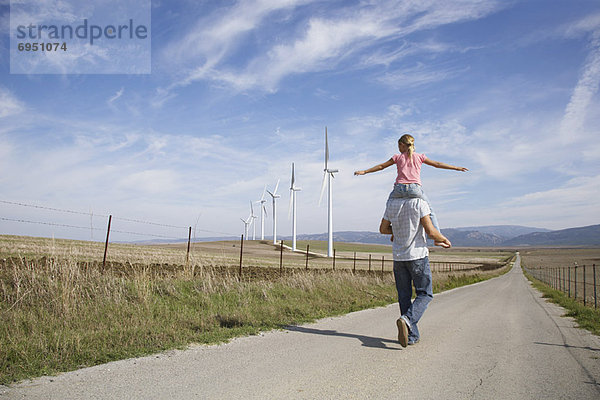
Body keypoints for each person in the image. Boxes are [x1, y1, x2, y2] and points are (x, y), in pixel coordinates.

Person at [379, 195, 451, 347]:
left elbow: (383, 229)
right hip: (417, 256)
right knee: (425, 293)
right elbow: (431, 232)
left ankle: (412, 336)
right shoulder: (420, 203)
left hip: (399, 257)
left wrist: (398, 231)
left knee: (404, 296)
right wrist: (443, 239)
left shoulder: (391, 204)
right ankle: (407, 320)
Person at [355, 133, 468, 230]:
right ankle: (436, 234)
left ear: (402, 145)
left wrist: (365, 171)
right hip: (415, 189)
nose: (398, 149)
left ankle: (391, 228)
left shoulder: (397, 157)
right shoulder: (420, 157)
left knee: (390, 205)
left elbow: (381, 166)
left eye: (398, 146)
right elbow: (437, 164)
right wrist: (456, 168)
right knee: (430, 210)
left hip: (399, 189)